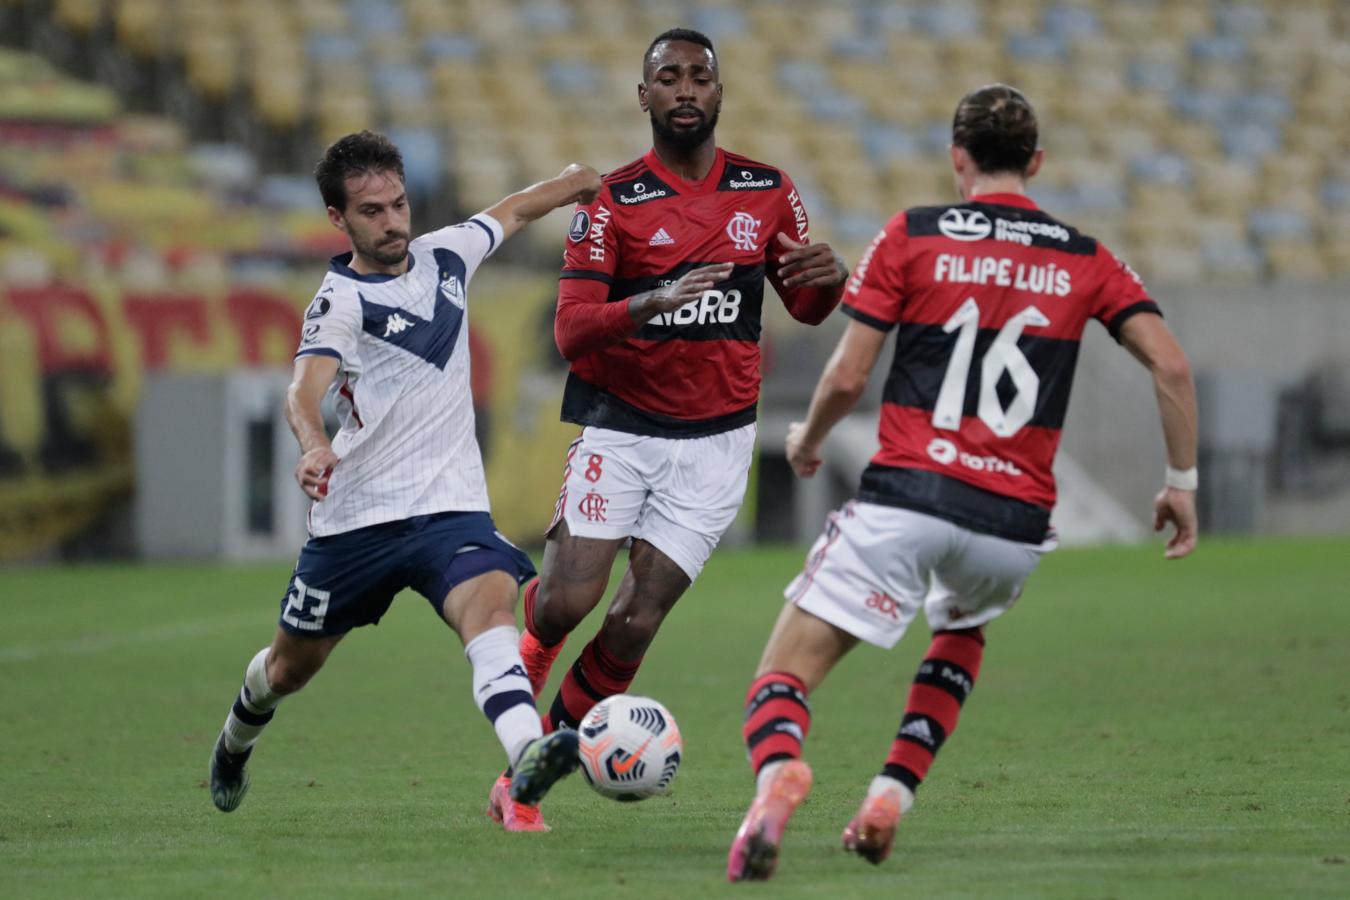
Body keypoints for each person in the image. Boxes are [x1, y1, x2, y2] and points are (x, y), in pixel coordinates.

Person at [726, 84, 1200, 881]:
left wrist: (809, 439)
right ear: (1037, 162)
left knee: (780, 677)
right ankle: (890, 795)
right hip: (1013, 524)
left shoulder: (912, 234)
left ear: (957, 158)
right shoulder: (1084, 256)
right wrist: (1180, 483)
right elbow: (1173, 364)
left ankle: (779, 780)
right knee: (962, 626)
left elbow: (848, 375)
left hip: (908, 496)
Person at [487, 27, 851, 830]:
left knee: (633, 619)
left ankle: (526, 775)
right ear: (642, 95)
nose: (686, 90)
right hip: (621, 429)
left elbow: (807, 306)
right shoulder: (612, 202)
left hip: (716, 443)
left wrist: (833, 280)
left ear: (719, 95)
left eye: (700, 78)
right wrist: (653, 300)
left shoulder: (766, 191)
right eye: (669, 78)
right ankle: (517, 677)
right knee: (563, 603)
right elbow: (572, 333)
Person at [207, 130, 601, 828]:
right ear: (339, 219)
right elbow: (302, 391)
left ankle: (528, 754)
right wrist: (314, 445)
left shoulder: (447, 254)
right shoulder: (340, 302)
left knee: (489, 611)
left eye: (398, 204)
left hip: (451, 508)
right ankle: (238, 737)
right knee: (289, 670)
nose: (393, 222)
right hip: (358, 519)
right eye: (372, 212)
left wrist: (573, 181)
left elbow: (510, 211)